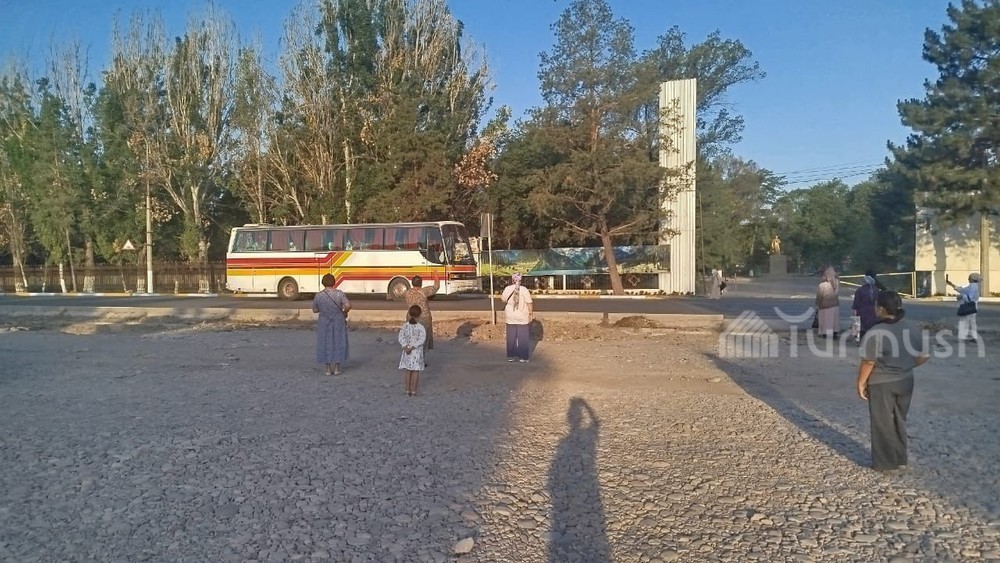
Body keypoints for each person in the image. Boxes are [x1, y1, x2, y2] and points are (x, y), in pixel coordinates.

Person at [856, 291, 930, 472]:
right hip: (906, 380)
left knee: (882, 422)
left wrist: (861, 383)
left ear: (881, 309)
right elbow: (924, 355)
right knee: (899, 419)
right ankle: (900, 458)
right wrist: (907, 365)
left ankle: (885, 463)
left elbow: (869, 361)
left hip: (882, 382)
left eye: (876, 306)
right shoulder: (912, 327)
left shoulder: (876, 332)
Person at [312, 273, 351, 376]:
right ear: (334, 282)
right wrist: (344, 311)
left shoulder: (318, 295)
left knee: (326, 342)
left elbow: (315, 310)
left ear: (323, 283)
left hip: (324, 322)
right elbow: (348, 305)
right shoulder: (339, 293)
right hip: (338, 321)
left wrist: (324, 309)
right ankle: (337, 367)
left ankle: (328, 368)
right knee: (338, 341)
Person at [403, 274, 440, 360]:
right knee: (422, 340)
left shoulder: (407, 293)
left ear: (412, 283)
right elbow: (436, 287)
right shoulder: (424, 291)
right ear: (421, 283)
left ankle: (412, 357)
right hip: (424, 318)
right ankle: (419, 359)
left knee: (412, 339)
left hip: (411, 318)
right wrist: (436, 275)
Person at [501, 272, 534, 362]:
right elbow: (529, 303)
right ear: (521, 280)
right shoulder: (524, 290)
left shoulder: (507, 289)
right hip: (522, 316)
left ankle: (511, 356)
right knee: (523, 337)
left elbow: (503, 300)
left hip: (510, 316)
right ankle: (523, 357)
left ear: (512, 280)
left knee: (511, 337)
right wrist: (531, 314)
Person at [398, 305, 426, 396]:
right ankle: (414, 391)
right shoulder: (420, 327)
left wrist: (405, 347)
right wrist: (413, 347)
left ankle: (407, 390)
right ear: (420, 315)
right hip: (416, 352)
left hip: (407, 351)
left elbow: (401, 337)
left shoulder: (405, 326)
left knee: (408, 370)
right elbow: (422, 339)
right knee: (415, 371)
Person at [947, 272, 981, 341]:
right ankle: (974, 337)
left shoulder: (972, 286)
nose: (968, 279)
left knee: (963, 321)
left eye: (969, 278)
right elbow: (963, 290)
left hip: (968, 305)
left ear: (972, 279)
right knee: (972, 322)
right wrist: (952, 285)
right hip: (974, 306)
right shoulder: (975, 286)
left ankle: (962, 337)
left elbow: (969, 297)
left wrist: (961, 296)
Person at [851, 273, 880, 341]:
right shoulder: (876, 290)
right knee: (871, 326)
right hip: (873, 311)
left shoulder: (860, 290)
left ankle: (861, 340)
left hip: (862, 311)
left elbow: (856, 302)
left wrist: (854, 311)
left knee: (861, 326)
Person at [815, 266, 841, 338]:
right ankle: (834, 332)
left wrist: (817, 305)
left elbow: (819, 297)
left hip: (824, 306)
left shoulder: (822, 285)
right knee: (834, 320)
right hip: (835, 305)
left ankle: (825, 333)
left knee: (825, 320)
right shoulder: (836, 284)